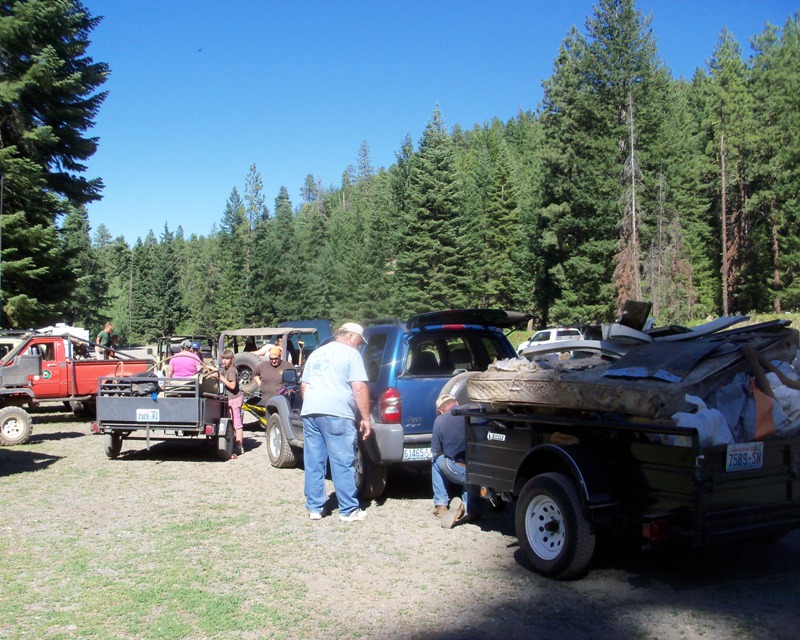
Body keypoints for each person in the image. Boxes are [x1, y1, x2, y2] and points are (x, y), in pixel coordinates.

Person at [300, 322, 371, 523]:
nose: (360, 346)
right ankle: (348, 510)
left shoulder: (316, 354)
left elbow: (304, 386)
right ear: (350, 336)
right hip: (337, 412)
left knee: (314, 461)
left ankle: (315, 507)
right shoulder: (351, 355)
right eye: (359, 341)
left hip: (311, 410)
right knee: (342, 460)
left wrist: (315, 406)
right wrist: (365, 418)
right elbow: (359, 388)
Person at [431, 394, 482, 529]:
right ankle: (466, 507)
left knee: (436, 461)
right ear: (457, 403)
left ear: (440, 411)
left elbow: (437, 451)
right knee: (471, 485)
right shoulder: (473, 412)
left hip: (457, 469)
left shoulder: (440, 420)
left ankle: (441, 505)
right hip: (480, 470)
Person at [215, 349, 244, 458]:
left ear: (232, 360)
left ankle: (239, 445)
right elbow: (218, 375)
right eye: (223, 358)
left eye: (227, 359)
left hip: (235, 398)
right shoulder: (224, 369)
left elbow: (232, 386)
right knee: (231, 421)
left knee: (237, 422)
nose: (224, 361)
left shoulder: (232, 370)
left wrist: (222, 379)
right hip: (229, 399)